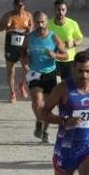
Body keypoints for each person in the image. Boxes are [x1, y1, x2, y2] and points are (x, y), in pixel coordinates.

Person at [22, 11, 67, 144]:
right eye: (37, 22)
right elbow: (23, 53)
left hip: (50, 73)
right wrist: (24, 62)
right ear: (33, 23)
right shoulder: (29, 37)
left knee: (48, 106)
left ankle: (44, 130)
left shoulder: (53, 37)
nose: (40, 25)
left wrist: (55, 55)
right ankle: (40, 120)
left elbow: (65, 55)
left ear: (47, 22)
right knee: (37, 102)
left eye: (42, 22)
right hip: (35, 72)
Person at [0, 0, 32, 102]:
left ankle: (21, 85)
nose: (20, 7)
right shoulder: (8, 15)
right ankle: (12, 93)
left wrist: (29, 29)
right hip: (11, 48)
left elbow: (32, 30)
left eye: (22, 5)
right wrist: (6, 26)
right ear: (14, 5)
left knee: (27, 68)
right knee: (11, 72)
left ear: (24, 5)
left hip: (23, 47)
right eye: (18, 5)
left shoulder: (28, 15)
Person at [48, 0, 83, 80]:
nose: (60, 12)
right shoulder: (48, 24)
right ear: (54, 9)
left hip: (69, 60)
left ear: (66, 10)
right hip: (53, 59)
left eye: (63, 10)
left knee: (67, 85)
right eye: (58, 9)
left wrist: (73, 43)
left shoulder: (72, 24)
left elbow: (80, 39)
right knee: (55, 83)